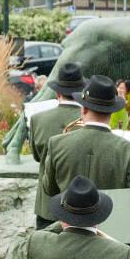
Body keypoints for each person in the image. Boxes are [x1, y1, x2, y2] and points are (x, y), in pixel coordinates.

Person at [41, 75, 130, 206]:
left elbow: (49, 189)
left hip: (69, 221)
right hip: (112, 223)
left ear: (83, 109)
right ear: (112, 112)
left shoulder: (55, 143)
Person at [30, 63, 85, 229]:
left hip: (47, 204)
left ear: (57, 92)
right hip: (83, 205)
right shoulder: (90, 119)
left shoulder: (37, 119)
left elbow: (37, 156)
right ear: (81, 92)